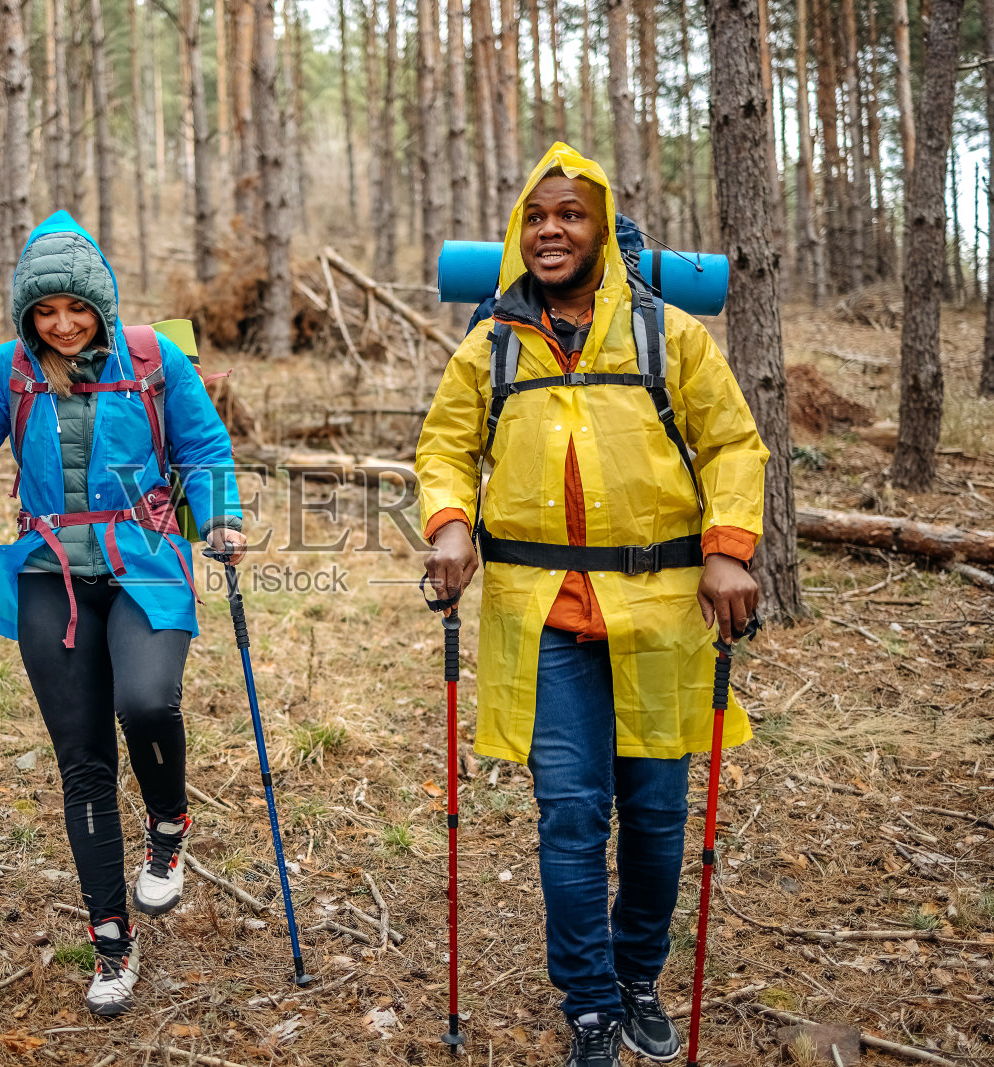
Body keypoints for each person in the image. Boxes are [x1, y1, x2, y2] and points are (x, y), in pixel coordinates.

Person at [415, 143, 767, 1067]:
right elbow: (445, 448)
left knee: (654, 815)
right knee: (570, 815)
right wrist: (449, 525)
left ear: (602, 229)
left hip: (658, 616)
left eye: (570, 214)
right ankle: (591, 1002)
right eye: (536, 217)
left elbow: (733, 444)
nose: (551, 230)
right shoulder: (491, 345)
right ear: (517, 234)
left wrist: (728, 550)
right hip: (543, 619)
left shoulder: (668, 335)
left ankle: (639, 971)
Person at [0, 211, 244, 1016]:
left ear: (102, 302)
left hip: (145, 561)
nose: (62, 325)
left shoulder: (154, 360)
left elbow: (203, 449)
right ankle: (111, 942)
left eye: (76, 308)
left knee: (147, 702)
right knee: (83, 761)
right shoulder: (11, 368)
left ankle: (169, 823)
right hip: (49, 572)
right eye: (46, 311)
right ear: (27, 315)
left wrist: (221, 516)